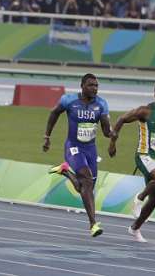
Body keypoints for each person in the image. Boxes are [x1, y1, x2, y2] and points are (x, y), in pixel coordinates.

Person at [109, 82, 155, 243]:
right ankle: (139, 198)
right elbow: (122, 119)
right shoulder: (145, 111)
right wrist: (112, 143)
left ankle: (135, 228)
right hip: (143, 154)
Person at [43, 73, 112, 237]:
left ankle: (65, 170)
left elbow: (106, 130)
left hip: (91, 150)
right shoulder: (68, 100)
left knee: (86, 188)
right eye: (90, 85)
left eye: (96, 86)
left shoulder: (101, 104)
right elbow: (54, 114)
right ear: (82, 86)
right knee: (86, 179)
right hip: (73, 147)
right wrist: (47, 136)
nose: (94, 88)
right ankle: (93, 224)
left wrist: (112, 132)